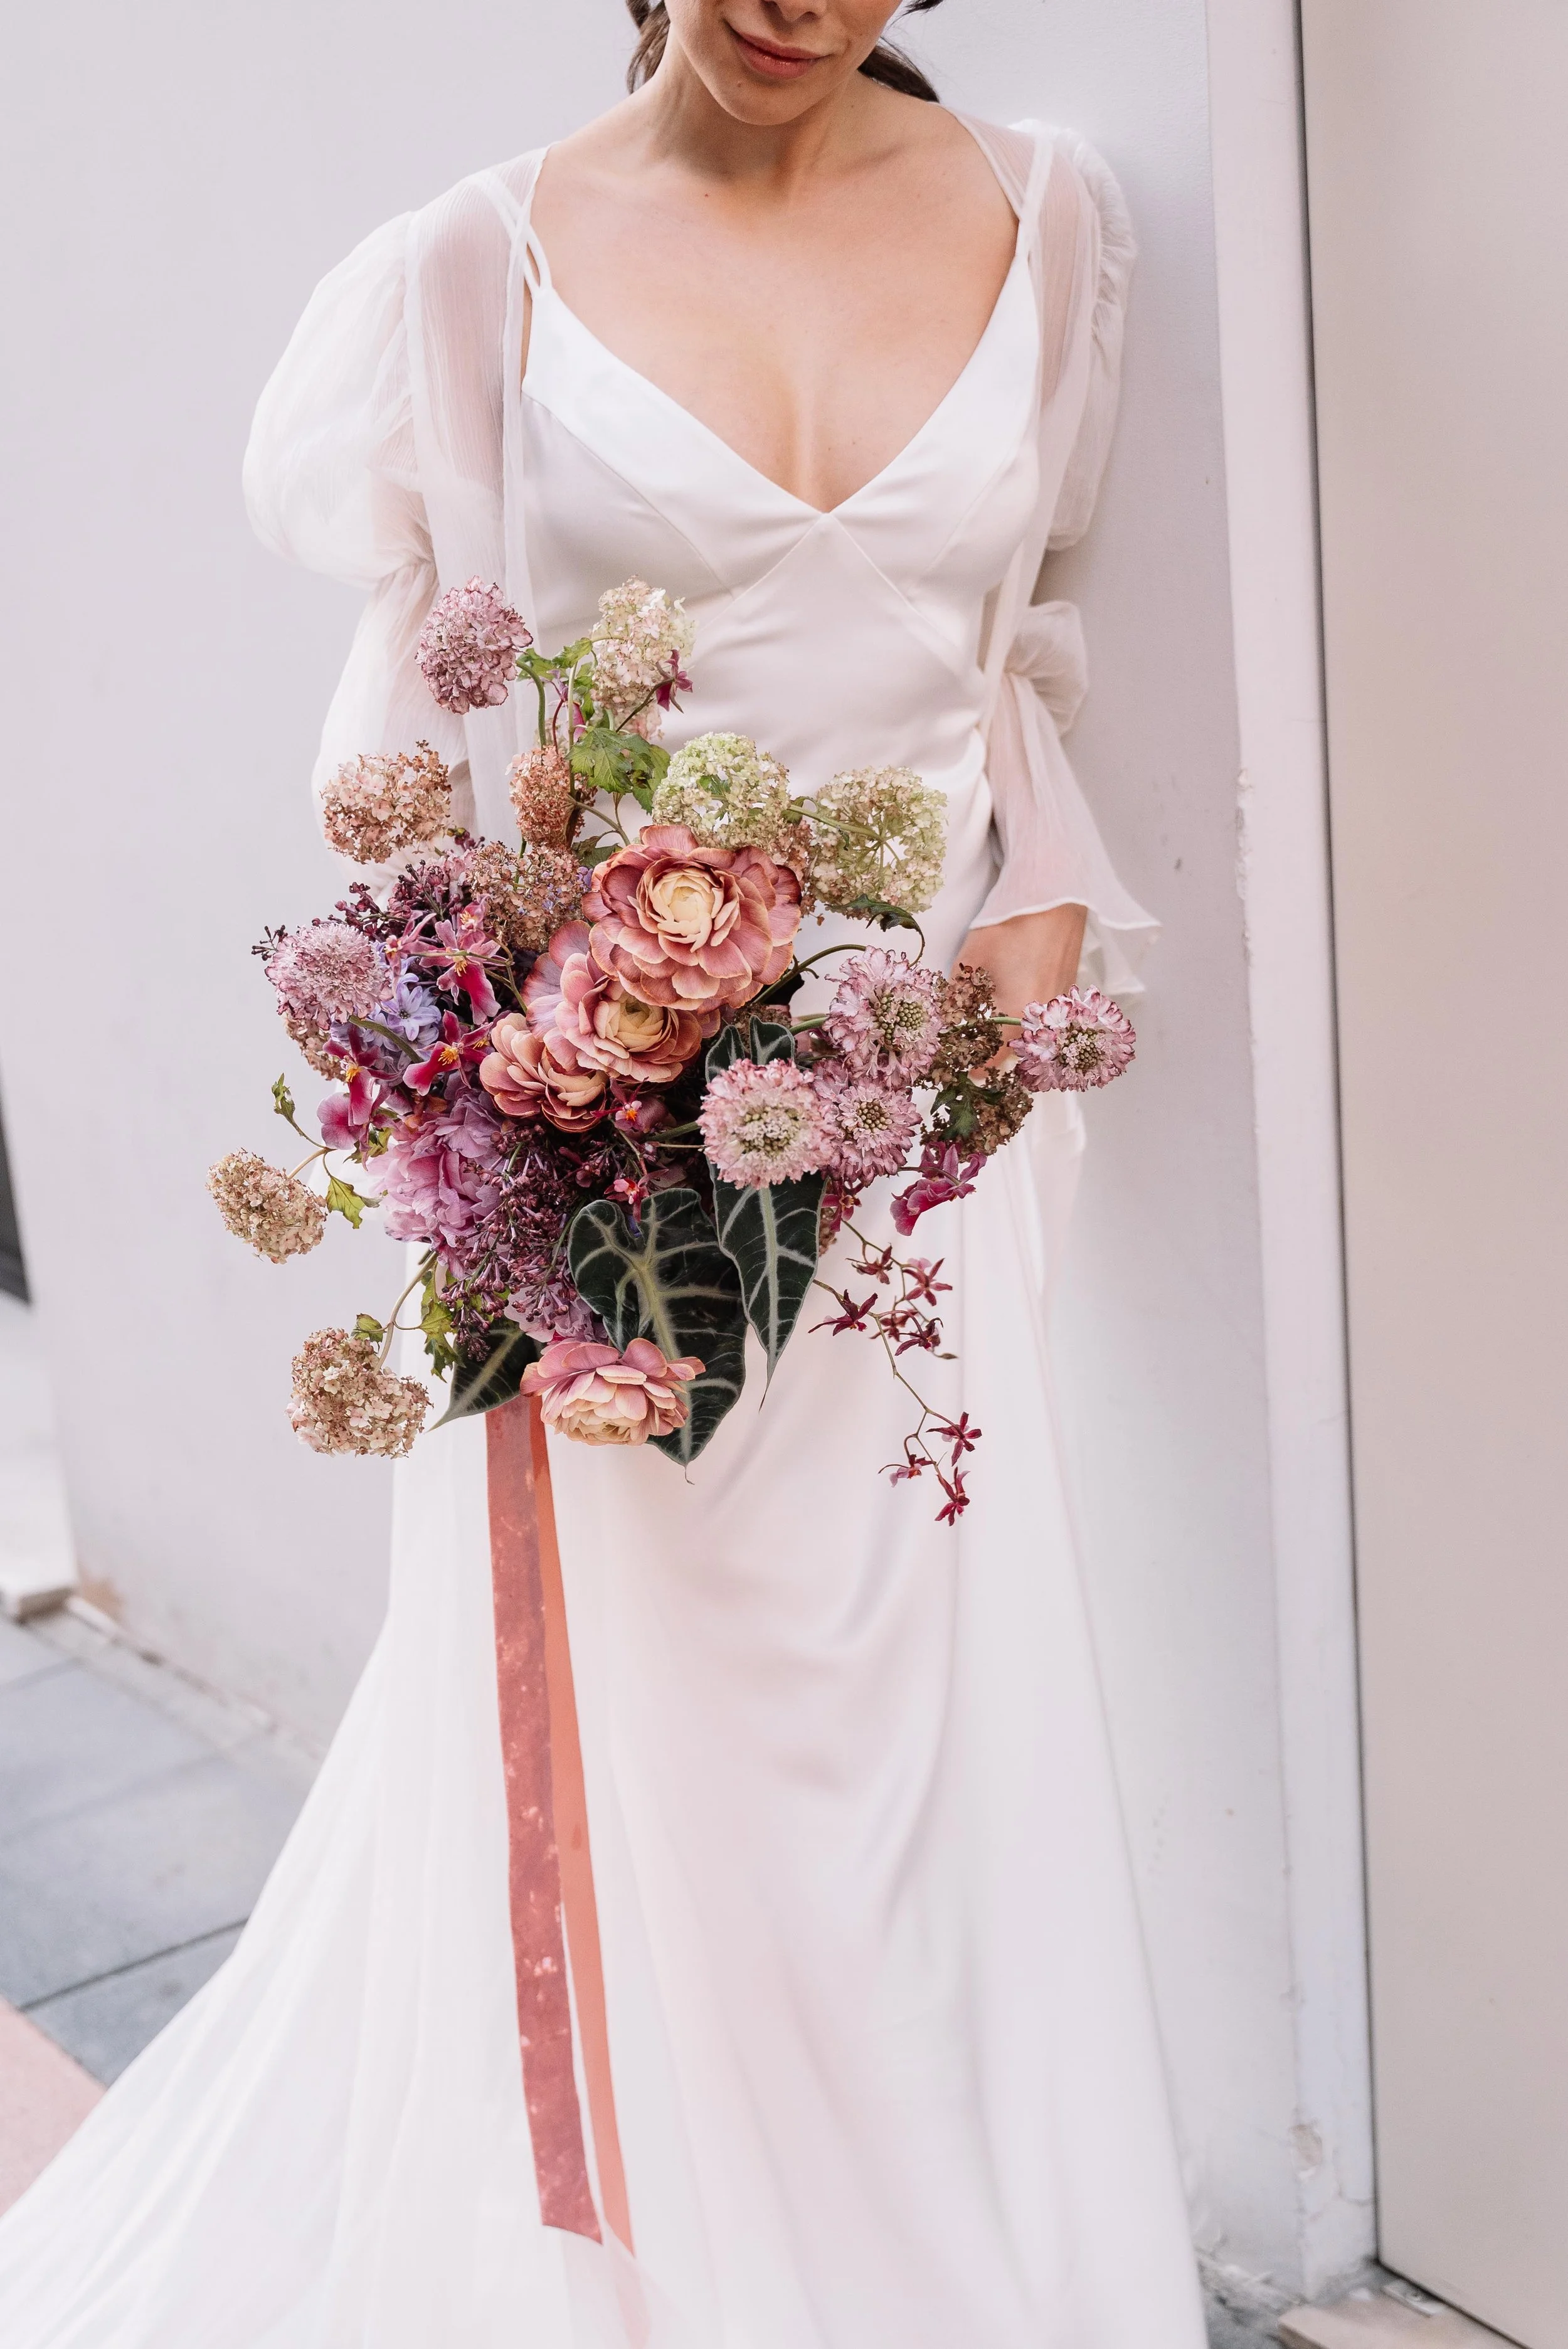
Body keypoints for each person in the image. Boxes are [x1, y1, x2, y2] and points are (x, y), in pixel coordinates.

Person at [0, 5, 1205, 2343]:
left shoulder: (1054, 218)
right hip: (603, 1172)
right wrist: (533, 1129)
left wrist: (993, 1017)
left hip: (927, 1160)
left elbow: (1004, 669)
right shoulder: (472, 272)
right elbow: (414, 774)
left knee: (919, 1758)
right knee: (652, 1787)